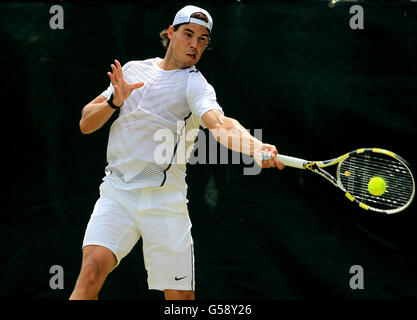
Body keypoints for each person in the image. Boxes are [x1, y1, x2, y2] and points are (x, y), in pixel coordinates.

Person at [70, 5, 284, 300]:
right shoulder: (132, 71)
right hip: (117, 194)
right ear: (170, 33)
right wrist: (114, 102)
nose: (195, 44)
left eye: (203, 39)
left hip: (165, 204)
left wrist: (256, 147)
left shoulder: (195, 85)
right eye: (188, 34)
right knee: (90, 275)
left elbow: (220, 125)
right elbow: (85, 122)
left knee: (180, 301)